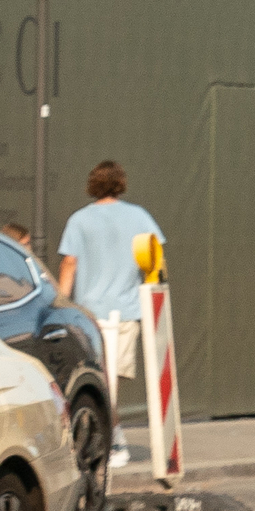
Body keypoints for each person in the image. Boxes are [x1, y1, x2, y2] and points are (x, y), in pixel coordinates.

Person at [58, 159, 165, 391]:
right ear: (121, 184)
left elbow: (69, 261)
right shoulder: (140, 217)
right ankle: (111, 423)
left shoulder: (79, 219)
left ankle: (108, 424)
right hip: (126, 311)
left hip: (88, 314)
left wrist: (61, 303)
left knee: (93, 376)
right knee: (113, 377)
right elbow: (157, 257)